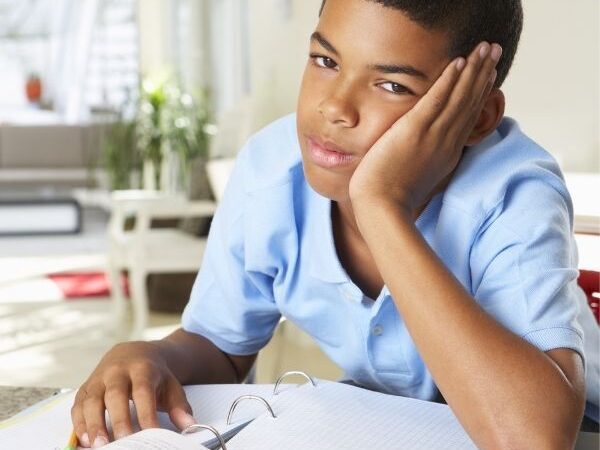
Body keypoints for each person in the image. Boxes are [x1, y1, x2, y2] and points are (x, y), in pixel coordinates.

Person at [71, 0, 599, 448]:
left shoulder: (513, 194)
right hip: (396, 426)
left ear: (477, 116)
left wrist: (381, 205)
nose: (334, 108)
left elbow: (534, 437)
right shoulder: (271, 172)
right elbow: (223, 349)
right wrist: (155, 354)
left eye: (391, 85)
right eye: (325, 59)